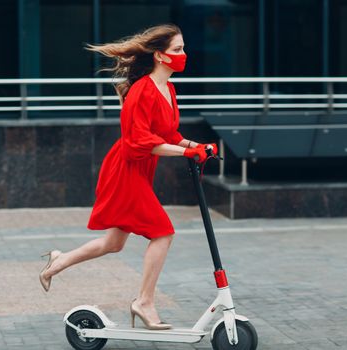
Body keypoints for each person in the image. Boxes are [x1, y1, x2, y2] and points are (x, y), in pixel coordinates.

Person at [39, 24, 217, 331]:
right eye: (177, 50)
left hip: (140, 168)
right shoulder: (141, 91)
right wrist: (186, 153)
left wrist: (196, 146)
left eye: (183, 48)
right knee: (162, 232)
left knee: (114, 243)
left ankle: (59, 260)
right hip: (127, 169)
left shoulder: (168, 89)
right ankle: (143, 302)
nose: (183, 55)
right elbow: (138, 143)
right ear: (160, 56)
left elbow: (168, 134)